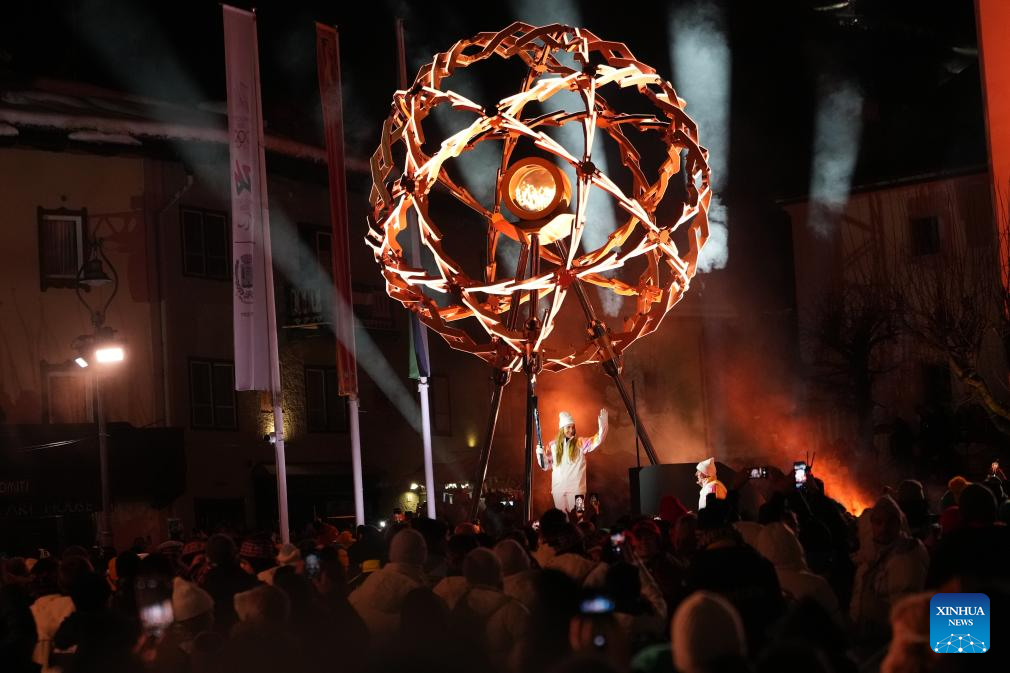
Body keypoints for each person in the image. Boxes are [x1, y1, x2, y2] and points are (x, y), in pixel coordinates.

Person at [537, 409, 609, 512]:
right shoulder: (553, 446)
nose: (571, 430)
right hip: (558, 490)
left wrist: (603, 424)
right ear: (562, 429)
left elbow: (597, 440)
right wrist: (540, 453)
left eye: (573, 427)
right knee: (562, 518)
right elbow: (545, 466)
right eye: (568, 427)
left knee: (579, 516)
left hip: (577, 489)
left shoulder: (580, 443)